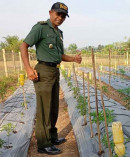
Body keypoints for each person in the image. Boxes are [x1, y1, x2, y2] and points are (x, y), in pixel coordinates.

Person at [20, 2, 82, 155]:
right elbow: (24, 45)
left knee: (54, 106)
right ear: (50, 12)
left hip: (54, 71)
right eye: (58, 14)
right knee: (44, 108)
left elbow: (60, 55)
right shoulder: (40, 28)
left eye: (63, 16)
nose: (60, 18)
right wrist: (28, 69)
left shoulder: (59, 33)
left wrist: (74, 58)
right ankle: (43, 143)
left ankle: (52, 137)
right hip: (43, 71)